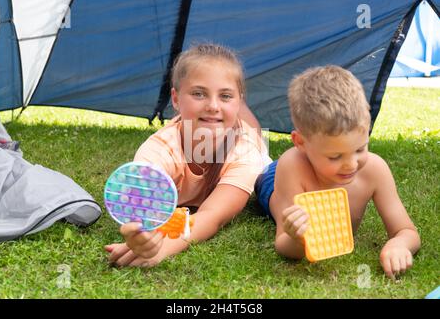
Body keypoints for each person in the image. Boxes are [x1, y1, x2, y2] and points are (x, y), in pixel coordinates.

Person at [105, 43, 271, 267]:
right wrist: (144, 237)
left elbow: (213, 215)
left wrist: (164, 248)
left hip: (248, 144)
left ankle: (239, 109)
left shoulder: (247, 152)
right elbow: (142, 205)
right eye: (198, 93)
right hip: (212, 134)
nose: (212, 106)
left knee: (255, 134)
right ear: (175, 99)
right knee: (222, 115)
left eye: (225, 96)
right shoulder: (159, 149)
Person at [255, 65, 420, 279]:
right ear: (301, 142)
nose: (351, 165)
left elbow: (407, 231)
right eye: (335, 156)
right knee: (260, 174)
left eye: (360, 149)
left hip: (305, 168)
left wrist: (399, 244)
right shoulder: (292, 166)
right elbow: (285, 247)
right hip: (274, 179)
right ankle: (255, 156)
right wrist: (297, 237)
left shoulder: (374, 170)